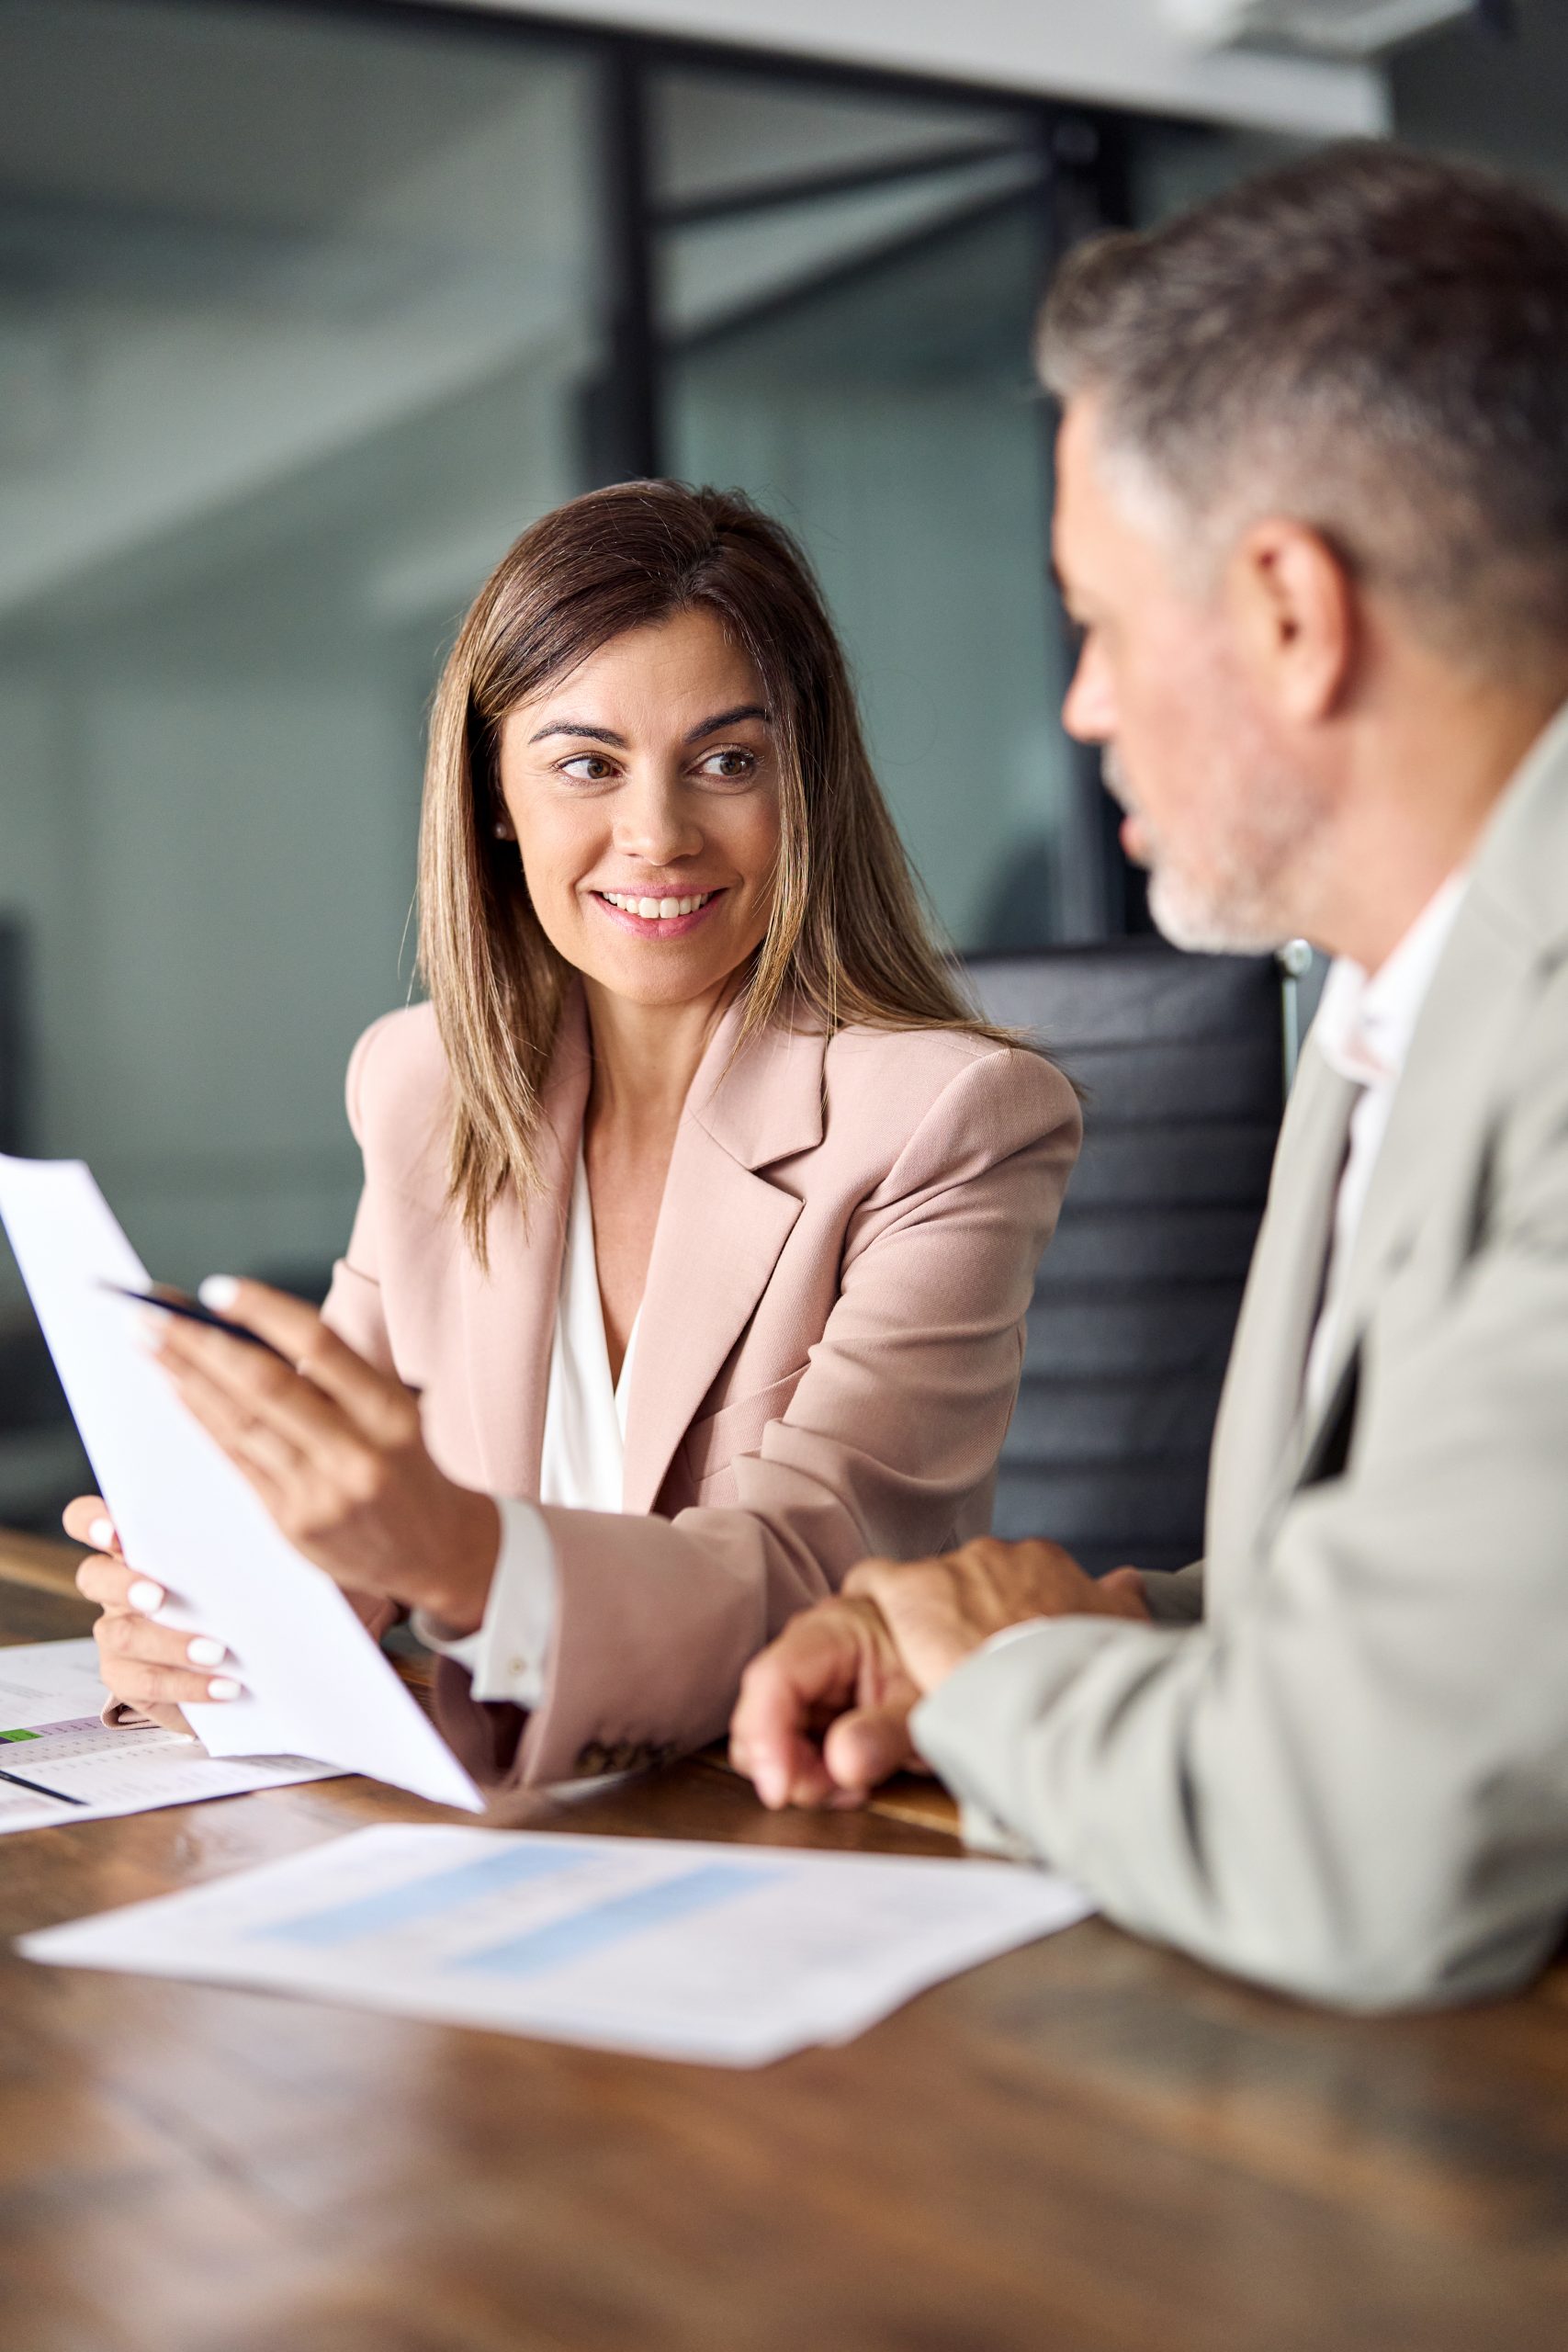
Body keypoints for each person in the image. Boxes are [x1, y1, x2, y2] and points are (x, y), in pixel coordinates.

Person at [730, 144, 1568, 2009]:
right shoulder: (1384, 1007)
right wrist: (1076, 1632)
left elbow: (1378, 1833)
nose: (1076, 706)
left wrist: (1011, 1676)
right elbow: (1462, 1614)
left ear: (1288, 610)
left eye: (1097, 620)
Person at [69, 482, 1079, 1787]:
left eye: (727, 761)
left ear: (802, 784)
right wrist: (226, 1606)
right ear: (496, 796)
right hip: (490, 1818)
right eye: (586, 764)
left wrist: (452, 1560)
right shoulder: (421, 1083)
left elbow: (808, 1572)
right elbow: (350, 1506)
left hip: (787, 1818)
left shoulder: (948, 1118)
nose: (656, 836)